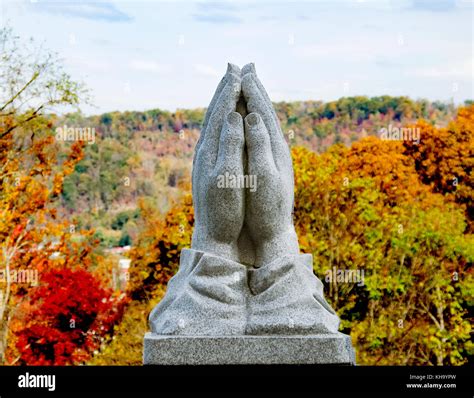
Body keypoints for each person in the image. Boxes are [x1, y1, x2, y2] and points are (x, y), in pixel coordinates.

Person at [149, 63, 340, 336]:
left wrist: (214, 242)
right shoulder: (300, 312)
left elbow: (188, 324)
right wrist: (277, 240)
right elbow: (307, 320)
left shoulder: (180, 317)